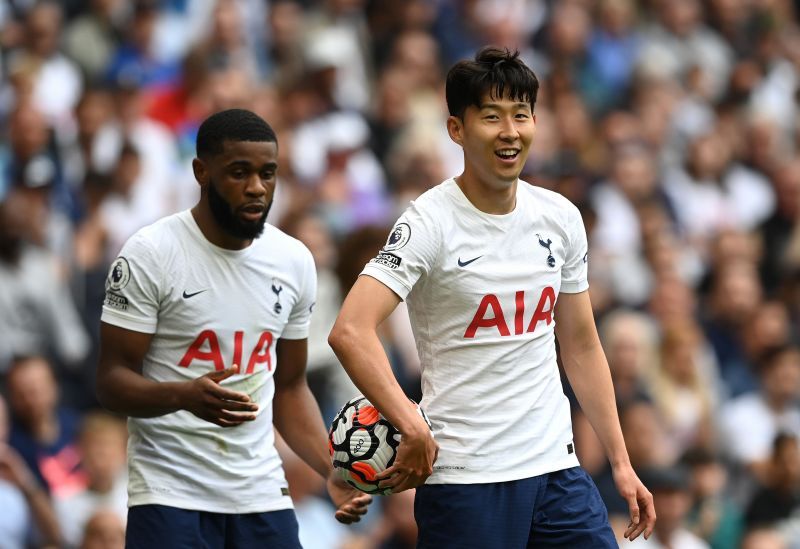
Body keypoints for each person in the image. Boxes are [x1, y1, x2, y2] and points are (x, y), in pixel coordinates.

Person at [328, 47, 655, 548]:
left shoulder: (561, 217)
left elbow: (583, 345)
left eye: (521, 115)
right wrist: (408, 422)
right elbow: (350, 330)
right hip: (466, 480)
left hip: (556, 472)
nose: (510, 131)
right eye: (492, 117)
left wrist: (620, 460)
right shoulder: (427, 222)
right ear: (456, 129)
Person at [95, 108, 371, 548]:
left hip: (261, 493)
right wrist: (182, 395)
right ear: (201, 172)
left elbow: (291, 385)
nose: (257, 188)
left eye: (268, 173)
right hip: (170, 494)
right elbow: (110, 382)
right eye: (239, 173)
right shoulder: (150, 253)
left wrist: (331, 470)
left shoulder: (294, 260)